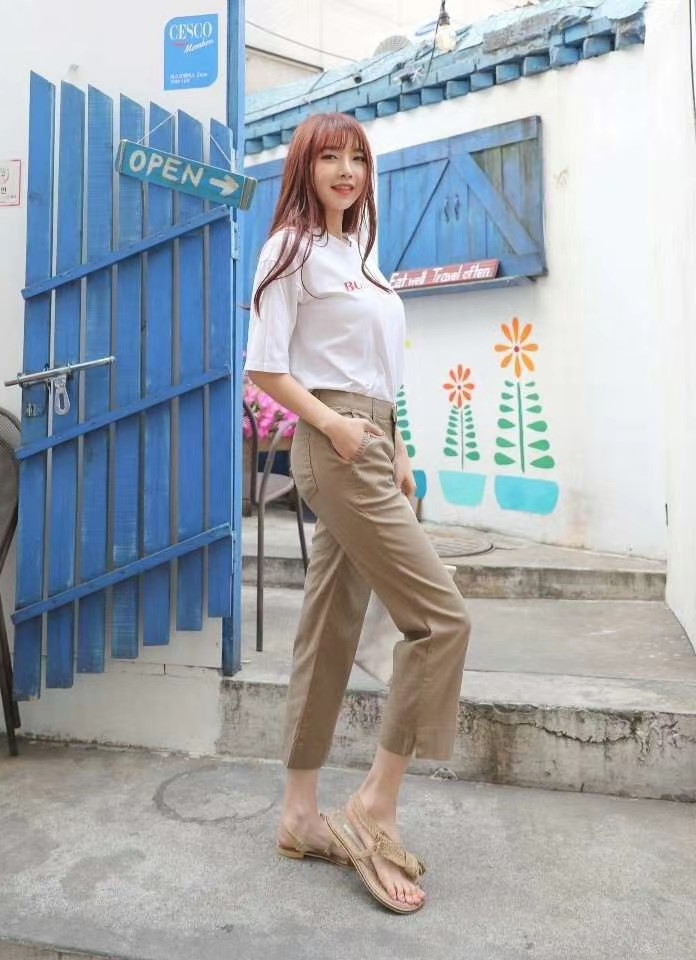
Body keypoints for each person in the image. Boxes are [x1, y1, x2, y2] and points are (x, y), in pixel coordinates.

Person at [244, 112, 471, 915]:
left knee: (330, 624)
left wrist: (397, 445)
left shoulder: (364, 257)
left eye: (358, 159)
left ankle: (300, 815)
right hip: (333, 440)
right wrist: (336, 427)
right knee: (441, 621)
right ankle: (375, 804)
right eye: (330, 157)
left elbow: (380, 370)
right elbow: (266, 367)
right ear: (304, 168)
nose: (346, 171)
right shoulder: (290, 251)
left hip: (372, 439)